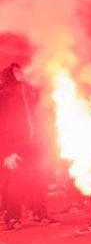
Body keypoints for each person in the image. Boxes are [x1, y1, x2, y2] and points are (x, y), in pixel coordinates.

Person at [0, 63, 58, 229]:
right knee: (15, 183)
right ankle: (12, 217)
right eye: (16, 71)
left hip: (35, 144)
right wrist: (7, 151)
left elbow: (42, 115)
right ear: (9, 74)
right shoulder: (4, 95)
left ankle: (40, 214)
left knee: (39, 180)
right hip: (15, 146)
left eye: (20, 70)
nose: (20, 73)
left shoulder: (31, 92)